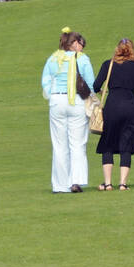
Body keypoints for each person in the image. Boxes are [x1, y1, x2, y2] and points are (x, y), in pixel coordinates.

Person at [42, 29, 95, 192]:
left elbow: (45, 81)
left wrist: (52, 96)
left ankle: (60, 184)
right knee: (78, 143)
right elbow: (91, 83)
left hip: (57, 100)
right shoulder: (82, 58)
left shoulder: (53, 58)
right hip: (76, 101)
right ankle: (76, 181)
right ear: (75, 43)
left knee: (59, 145)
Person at [91, 38, 134, 191]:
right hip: (130, 107)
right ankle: (123, 183)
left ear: (117, 49)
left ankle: (108, 183)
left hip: (112, 106)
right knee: (127, 144)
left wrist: (103, 91)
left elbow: (96, 85)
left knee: (108, 143)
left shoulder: (108, 64)